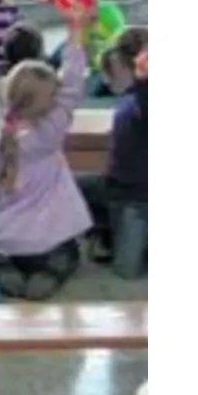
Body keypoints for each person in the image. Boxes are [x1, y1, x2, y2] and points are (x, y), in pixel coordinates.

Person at [0, 3, 93, 300]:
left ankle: (5, 266)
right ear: (48, 104)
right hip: (48, 242)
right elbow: (73, 83)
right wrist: (76, 30)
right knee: (70, 249)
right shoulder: (49, 135)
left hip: (9, 241)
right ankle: (49, 271)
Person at [79, 42, 147, 263]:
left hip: (129, 190)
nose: (107, 80)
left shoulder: (137, 101)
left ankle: (105, 232)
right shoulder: (131, 101)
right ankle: (108, 230)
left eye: (111, 72)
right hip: (129, 185)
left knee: (70, 185)